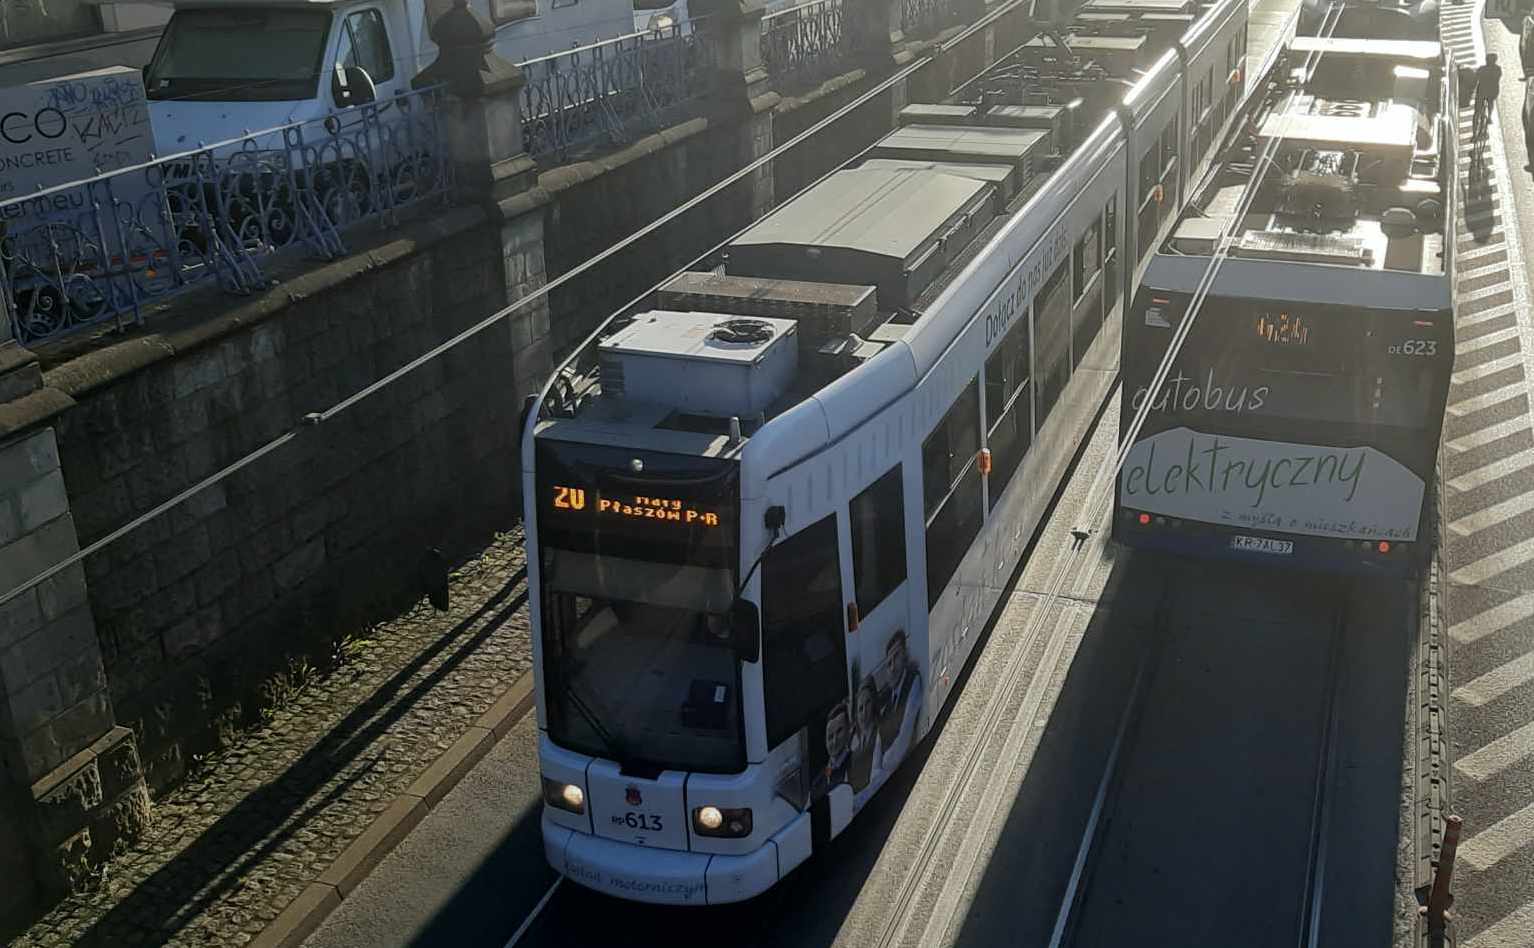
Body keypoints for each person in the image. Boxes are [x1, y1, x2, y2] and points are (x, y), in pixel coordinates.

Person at [875, 630, 923, 771]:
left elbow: (904, 737)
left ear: (905, 656)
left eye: (896, 657)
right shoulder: (888, 703)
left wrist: (882, 766)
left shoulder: (913, 681)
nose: (892, 667)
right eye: (888, 664)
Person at [1475, 54, 1503, 142]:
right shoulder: (1498, 69)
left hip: (1482, 93)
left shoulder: (1481, 69)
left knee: (1477, 112)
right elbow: (1497, 78)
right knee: (1491, 102)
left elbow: (1476, 78)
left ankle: (1474, 133)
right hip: (1493, 92)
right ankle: (1489, 116)